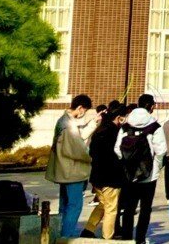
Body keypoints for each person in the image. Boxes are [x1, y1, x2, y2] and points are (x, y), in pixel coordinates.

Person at [45, 95, 95, 238]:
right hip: (72, 171)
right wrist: (90, 158)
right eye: (84, 111)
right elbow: (78, 148)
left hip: (63, 170)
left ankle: (60, 235)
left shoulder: (63, 121)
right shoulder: (70, 125)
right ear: (80, 108)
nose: (83, 114)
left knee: (64, 205)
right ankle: (66, 237)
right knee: (74, 206)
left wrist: (92, 123)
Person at [116, 106, 167, 244]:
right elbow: (161, 150)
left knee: (129, 208)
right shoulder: (155, 127)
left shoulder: (125, 127)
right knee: (145, 209)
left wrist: (127, 163)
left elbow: (117, 149)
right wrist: (156, 165)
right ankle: (140, 238)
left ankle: (126, 237)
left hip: (130, 175)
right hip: (149, 176)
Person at [82, 102, 125, 239]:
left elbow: (92, 152)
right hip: (111, 176)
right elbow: (119, 154)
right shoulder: (115, 132)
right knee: (111, 209)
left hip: (96, 175)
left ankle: (89, 229)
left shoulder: (99, 130)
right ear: (118, 117)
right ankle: (108, 237)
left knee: (103, 204)